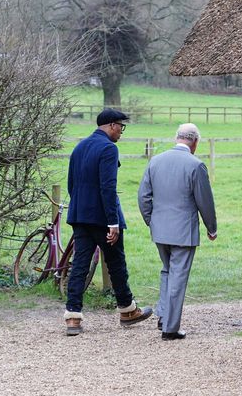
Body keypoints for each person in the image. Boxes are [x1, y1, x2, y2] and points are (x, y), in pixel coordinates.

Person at [63, 108, 152, 336]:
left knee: (80, 265)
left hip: (80, 215)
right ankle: (127, 310)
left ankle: (73, 318)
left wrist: (82, 208)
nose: (122, 131)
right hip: (103, 218)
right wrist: (112, 222)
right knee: (116, 264)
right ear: (111, 125)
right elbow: (108, 187)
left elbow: (71, 185)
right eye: (121, 126)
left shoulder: (80, 147)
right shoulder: (109, 149)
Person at [137, 123, 217, 341]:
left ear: (177, 138)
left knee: (167, 271)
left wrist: (151, 221)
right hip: (183, 232)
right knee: (178, 276)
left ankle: (163, 315)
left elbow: (143, 196)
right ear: (195, 142)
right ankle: (170, 329)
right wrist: (212, 228)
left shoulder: (156, 161)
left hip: (160, 230)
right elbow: (205, 201)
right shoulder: (196, 165)